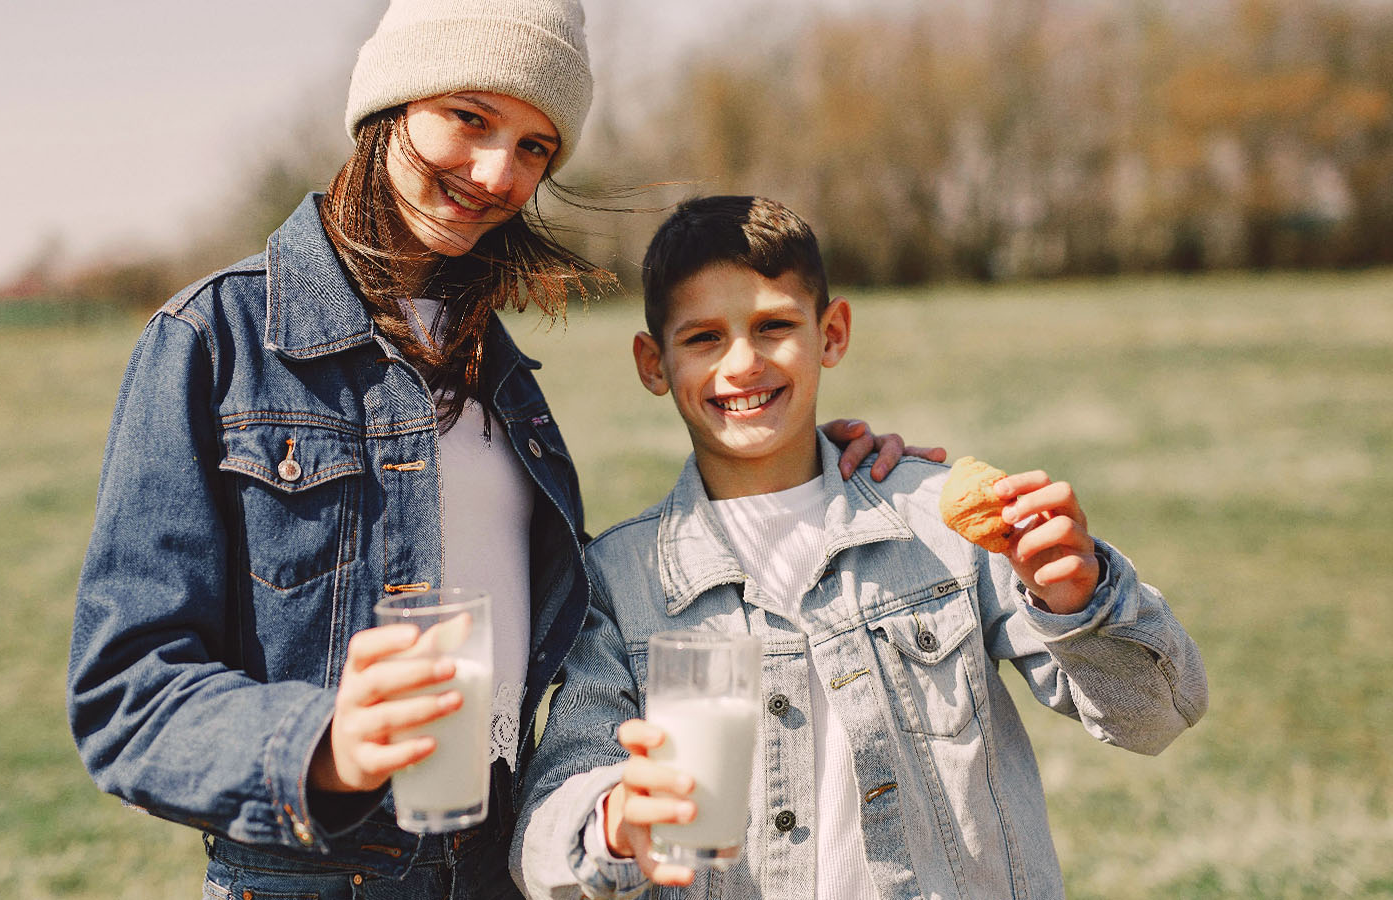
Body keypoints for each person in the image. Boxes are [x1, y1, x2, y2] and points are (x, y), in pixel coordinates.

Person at [65, 5, 939, 898]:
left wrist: (821, 472)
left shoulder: (503, 375)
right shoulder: (215, 339)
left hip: (495, 869)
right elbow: (123, 696)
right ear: (390, 104)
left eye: (534, 148)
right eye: (470, 117)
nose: (496, 174)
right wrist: (324, 744)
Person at [511, 196, 1209, 900]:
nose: (743, 363)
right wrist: (613, 821)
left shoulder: (940, 522)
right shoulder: (618, 584)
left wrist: (1078, 600)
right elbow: (546, 830)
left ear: (832, 333)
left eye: (774, 326)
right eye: (703, 338)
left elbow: (1153, 715)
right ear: (652, 362)